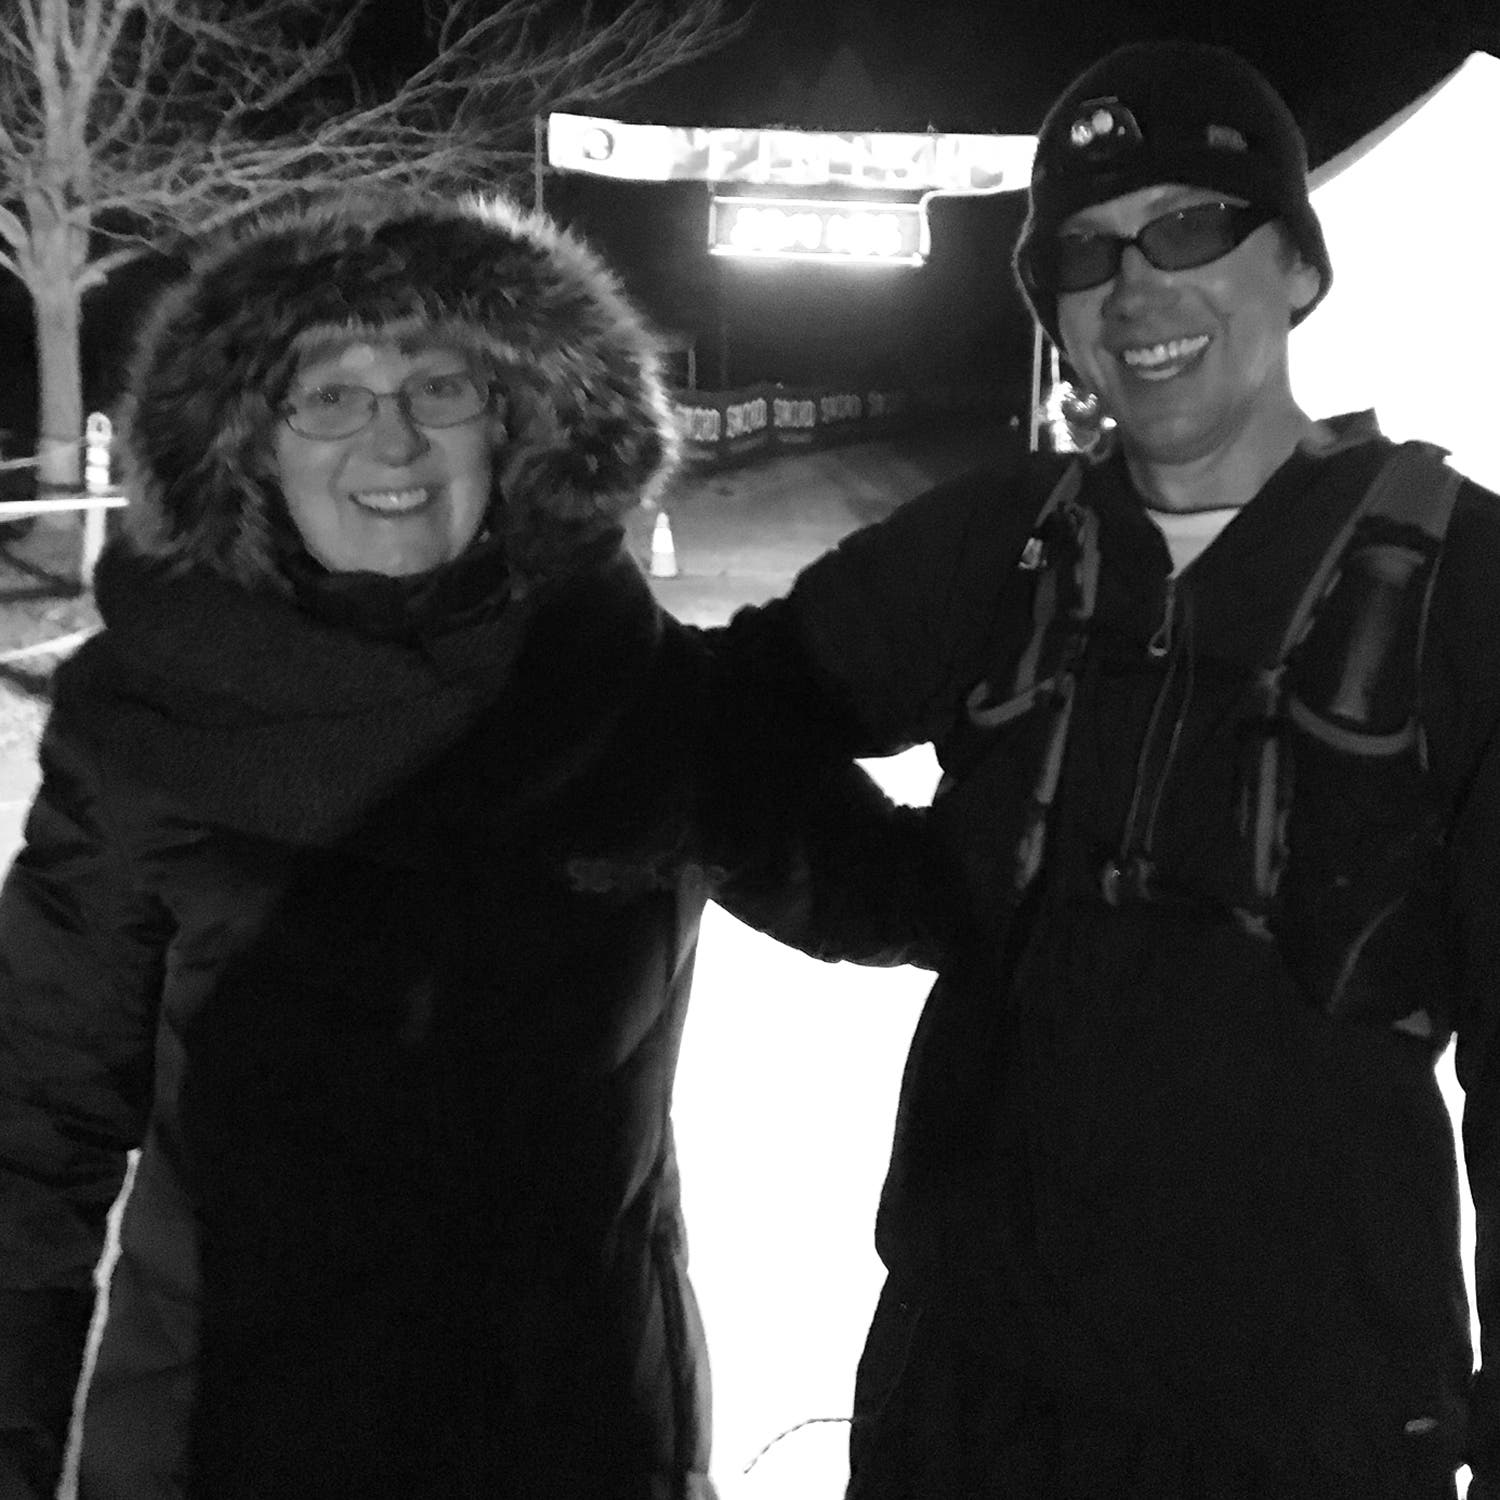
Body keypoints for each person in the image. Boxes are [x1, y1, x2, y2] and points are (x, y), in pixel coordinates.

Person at [0, 193, 939, 1499]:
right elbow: (28, 1143)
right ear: (251, 445)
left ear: (513, 425)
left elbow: (911, 894)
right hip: (231, 1458)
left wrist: (991, 613)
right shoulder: (146, 722)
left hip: (580, 1442)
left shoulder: (640, 693)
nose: (390, 433)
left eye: (439, 384)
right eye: (327, 391)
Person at [716, 40, 1500, 1499]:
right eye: (1085, 255)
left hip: (1304, 1419)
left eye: (1191, 227)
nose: (1137, 289)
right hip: (970, 1391)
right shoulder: (999, 547)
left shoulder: (1465, 582)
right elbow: (717, 728)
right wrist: (901, 891)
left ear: (1299, 268)